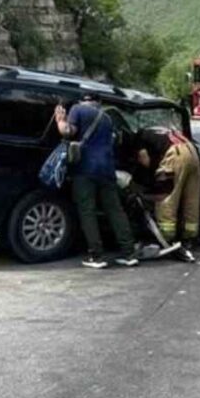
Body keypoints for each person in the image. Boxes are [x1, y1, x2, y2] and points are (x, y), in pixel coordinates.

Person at [55, 94, 138, 269]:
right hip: (107, 170)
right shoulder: (107, 117)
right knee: (115, 210)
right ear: (98, 103)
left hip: (85, 170)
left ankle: (96, 255)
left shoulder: (77, 110)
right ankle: (128, 253)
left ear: (82, 101)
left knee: (87, 211)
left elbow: (68, 131)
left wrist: (60, 121)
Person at [134, 126, 200, 262]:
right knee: (191, 199)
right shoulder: (160, 130)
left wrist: (152, 174)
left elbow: (144, 159)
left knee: (167, 197)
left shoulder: (138, 136)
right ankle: (189, 237)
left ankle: (167, 237)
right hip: (191, 151)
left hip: (175, 155)